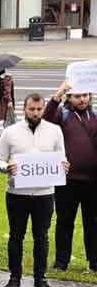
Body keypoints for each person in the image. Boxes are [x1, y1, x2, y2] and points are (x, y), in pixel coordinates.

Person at [0, 93, 66, 287]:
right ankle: (14, 278)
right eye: (32, 109)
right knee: (16, 236)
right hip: (17, 193)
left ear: (43, 109)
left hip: (44, 194)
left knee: (42, 237)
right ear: (24, 109)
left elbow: (61, 158)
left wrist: (64, 166)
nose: (36, 113)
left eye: (39, 109)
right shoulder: (10, 132)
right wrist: (6, 167)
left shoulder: (54, 131)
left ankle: (40, 279)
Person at [44, 80, 97, 271]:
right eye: (77, 96)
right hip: (68, 181)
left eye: (85, 95)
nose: (82, 99)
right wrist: (57, 95)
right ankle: (61, 261)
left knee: (93, 222)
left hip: (93, 181)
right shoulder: (63, 115)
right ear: (70, 98)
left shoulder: (94, 116)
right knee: (65, 222)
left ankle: (95, 261)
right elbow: (45, 119)